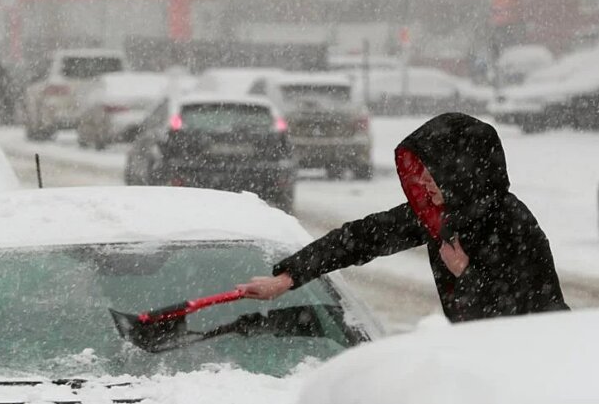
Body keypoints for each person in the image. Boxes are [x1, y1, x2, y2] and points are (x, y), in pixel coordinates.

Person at [238, 112, 569, 323]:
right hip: (479, 358)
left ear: (460, 171)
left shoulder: (512, 222)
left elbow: (529, 317)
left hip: (532, 368)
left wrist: (465, 273)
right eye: (421, 170)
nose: (423, 180)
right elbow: (362, 237)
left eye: (432, 171)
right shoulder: (439, 217)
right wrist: (288, 277)